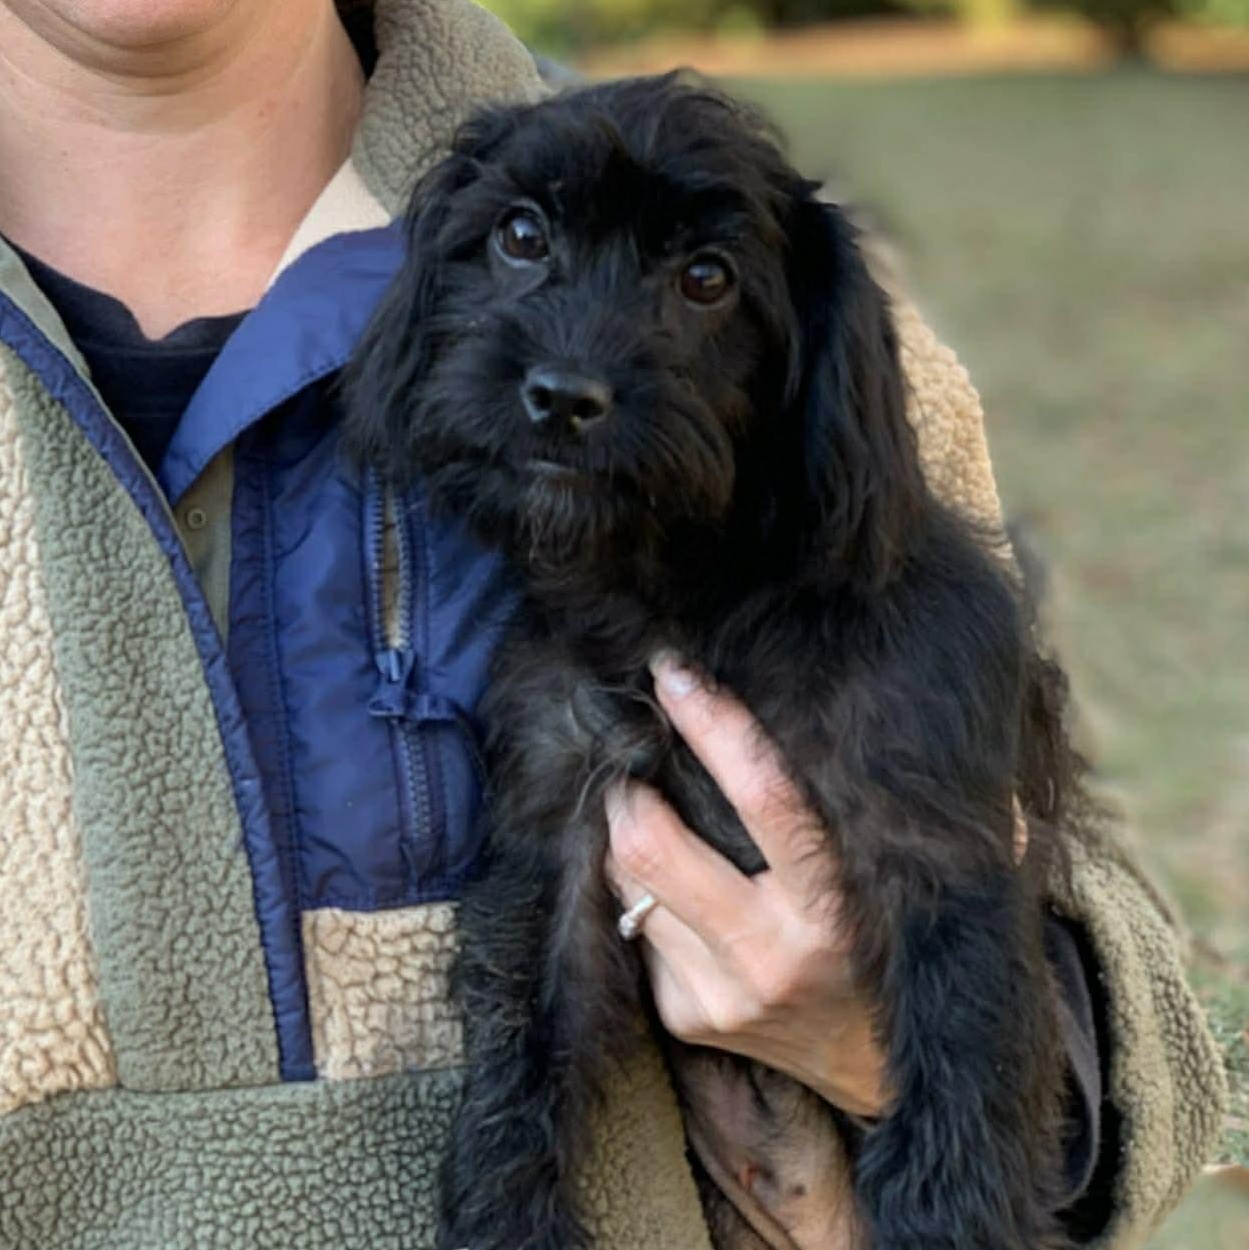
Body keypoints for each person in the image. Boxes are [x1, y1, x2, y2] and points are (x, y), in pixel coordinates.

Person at [0, 1, 1226, 1247]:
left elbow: (1111, 1012)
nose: (574, 368)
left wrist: (902, 1052)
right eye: (524, 242)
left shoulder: (851, 409)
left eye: (700, 283)